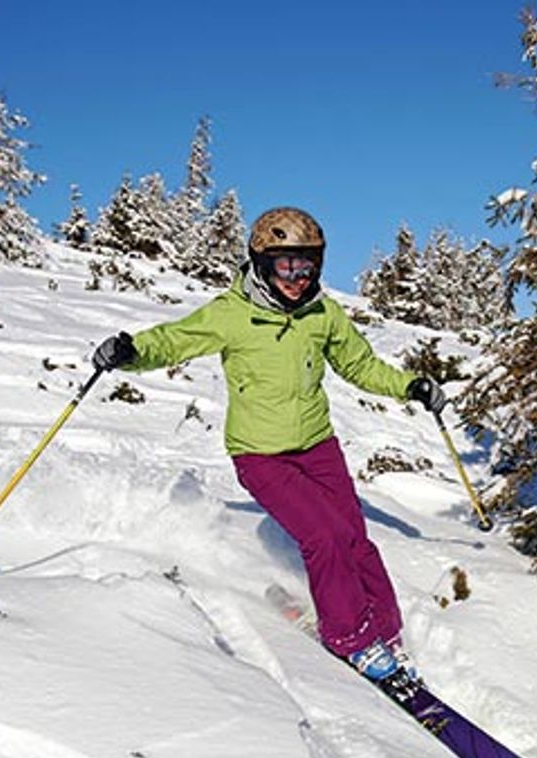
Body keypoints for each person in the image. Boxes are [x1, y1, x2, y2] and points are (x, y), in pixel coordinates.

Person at [91, 207, 446, 682]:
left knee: (354, 539)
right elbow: (174, 341)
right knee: (322, 538)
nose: (300, 278)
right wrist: (131, 352)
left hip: (318, 446)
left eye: (309, 266)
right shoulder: (232, 314)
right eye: (287, 265)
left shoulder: (323, 313)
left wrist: (409, 386)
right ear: (261, 262)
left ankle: (387, 632)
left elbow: (361, 365)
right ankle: (350, 638)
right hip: (259, 454)